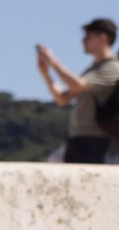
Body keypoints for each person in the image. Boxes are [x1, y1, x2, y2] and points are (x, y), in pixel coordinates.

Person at [37, 18, 119, 163]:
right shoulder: (92, 70)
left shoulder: (113, 67)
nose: (83, 41)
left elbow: (77, 85)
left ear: (103, 38)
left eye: (88, 36)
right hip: (78, 138)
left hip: (98, 141)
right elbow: (62, 99)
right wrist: (46, 74)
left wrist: (53, 62)